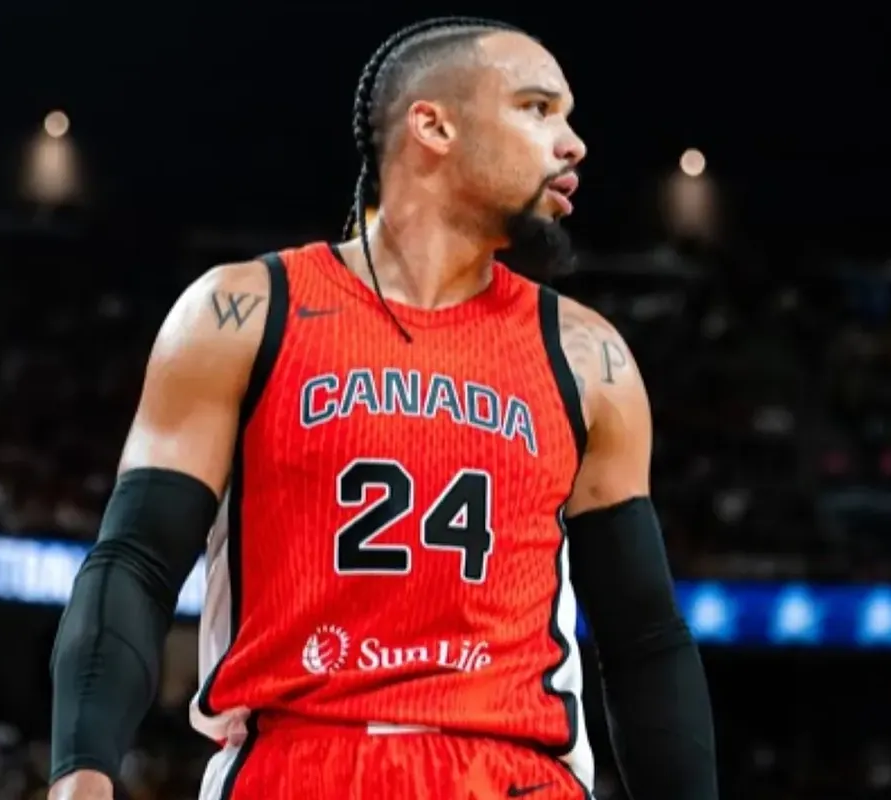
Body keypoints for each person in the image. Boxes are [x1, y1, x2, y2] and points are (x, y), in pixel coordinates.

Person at [47, 16, 717, 800]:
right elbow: (136, 560)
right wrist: (82, 769)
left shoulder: (588, 356)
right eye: (538, 109)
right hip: (295, 764)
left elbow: (644, 639)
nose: (574, 145)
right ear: (433, 125)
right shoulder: (244, 313)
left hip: (510, 772)